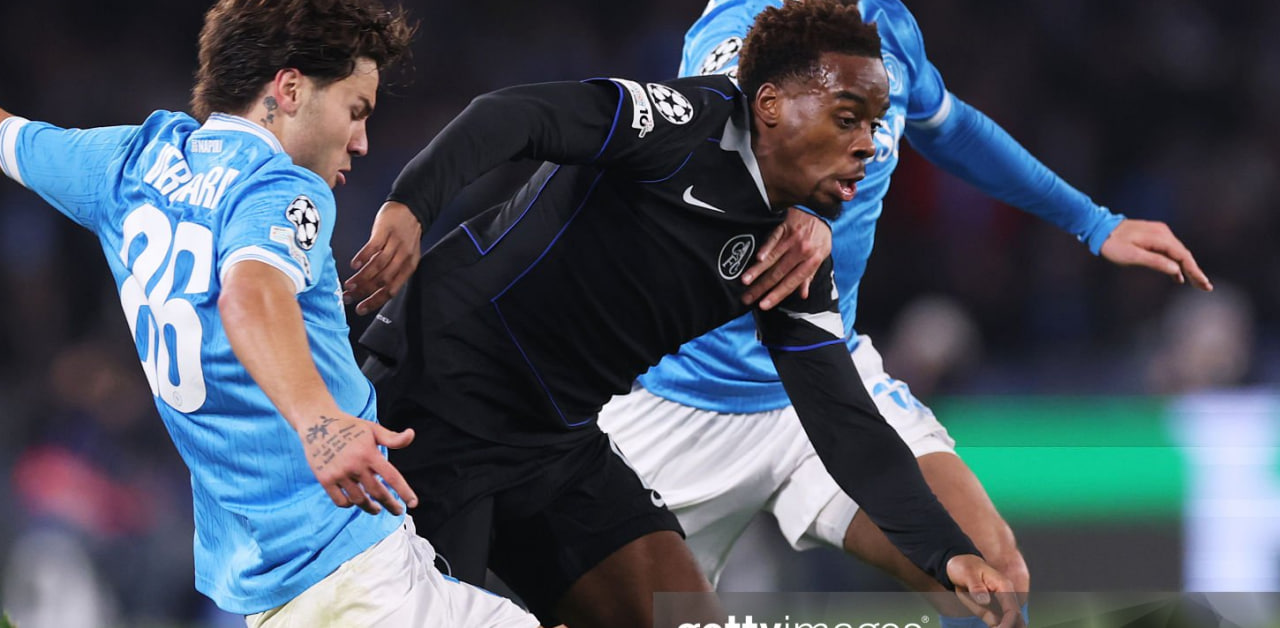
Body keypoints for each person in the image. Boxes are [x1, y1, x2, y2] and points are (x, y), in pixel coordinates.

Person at [354, 2, 1024, 627]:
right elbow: (516, 115)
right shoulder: (682, 124)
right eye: (847, 119)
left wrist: (944, 552)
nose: (868, 145)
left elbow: (845, 422)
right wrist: (411, 204)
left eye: (875, 124)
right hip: (439, 402)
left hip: (557, 437)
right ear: (770, 105)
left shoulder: (790, 255)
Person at [588, 0, 1211, 626]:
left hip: (828, 382)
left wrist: (1094, 223)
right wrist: (791, 198)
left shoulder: (888, 25)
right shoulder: (737, 28)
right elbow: (715, 131)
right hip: (683, 401)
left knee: (989, 578)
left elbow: (949, 127)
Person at [0, 0, 536, 625]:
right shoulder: (279, 186)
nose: (362, 142)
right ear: (289, 89)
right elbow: (250, 294)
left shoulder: (128, 162)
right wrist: (320, 423)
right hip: (353, 580)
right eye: (355, 110)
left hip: (282, 589)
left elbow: (10, 137)